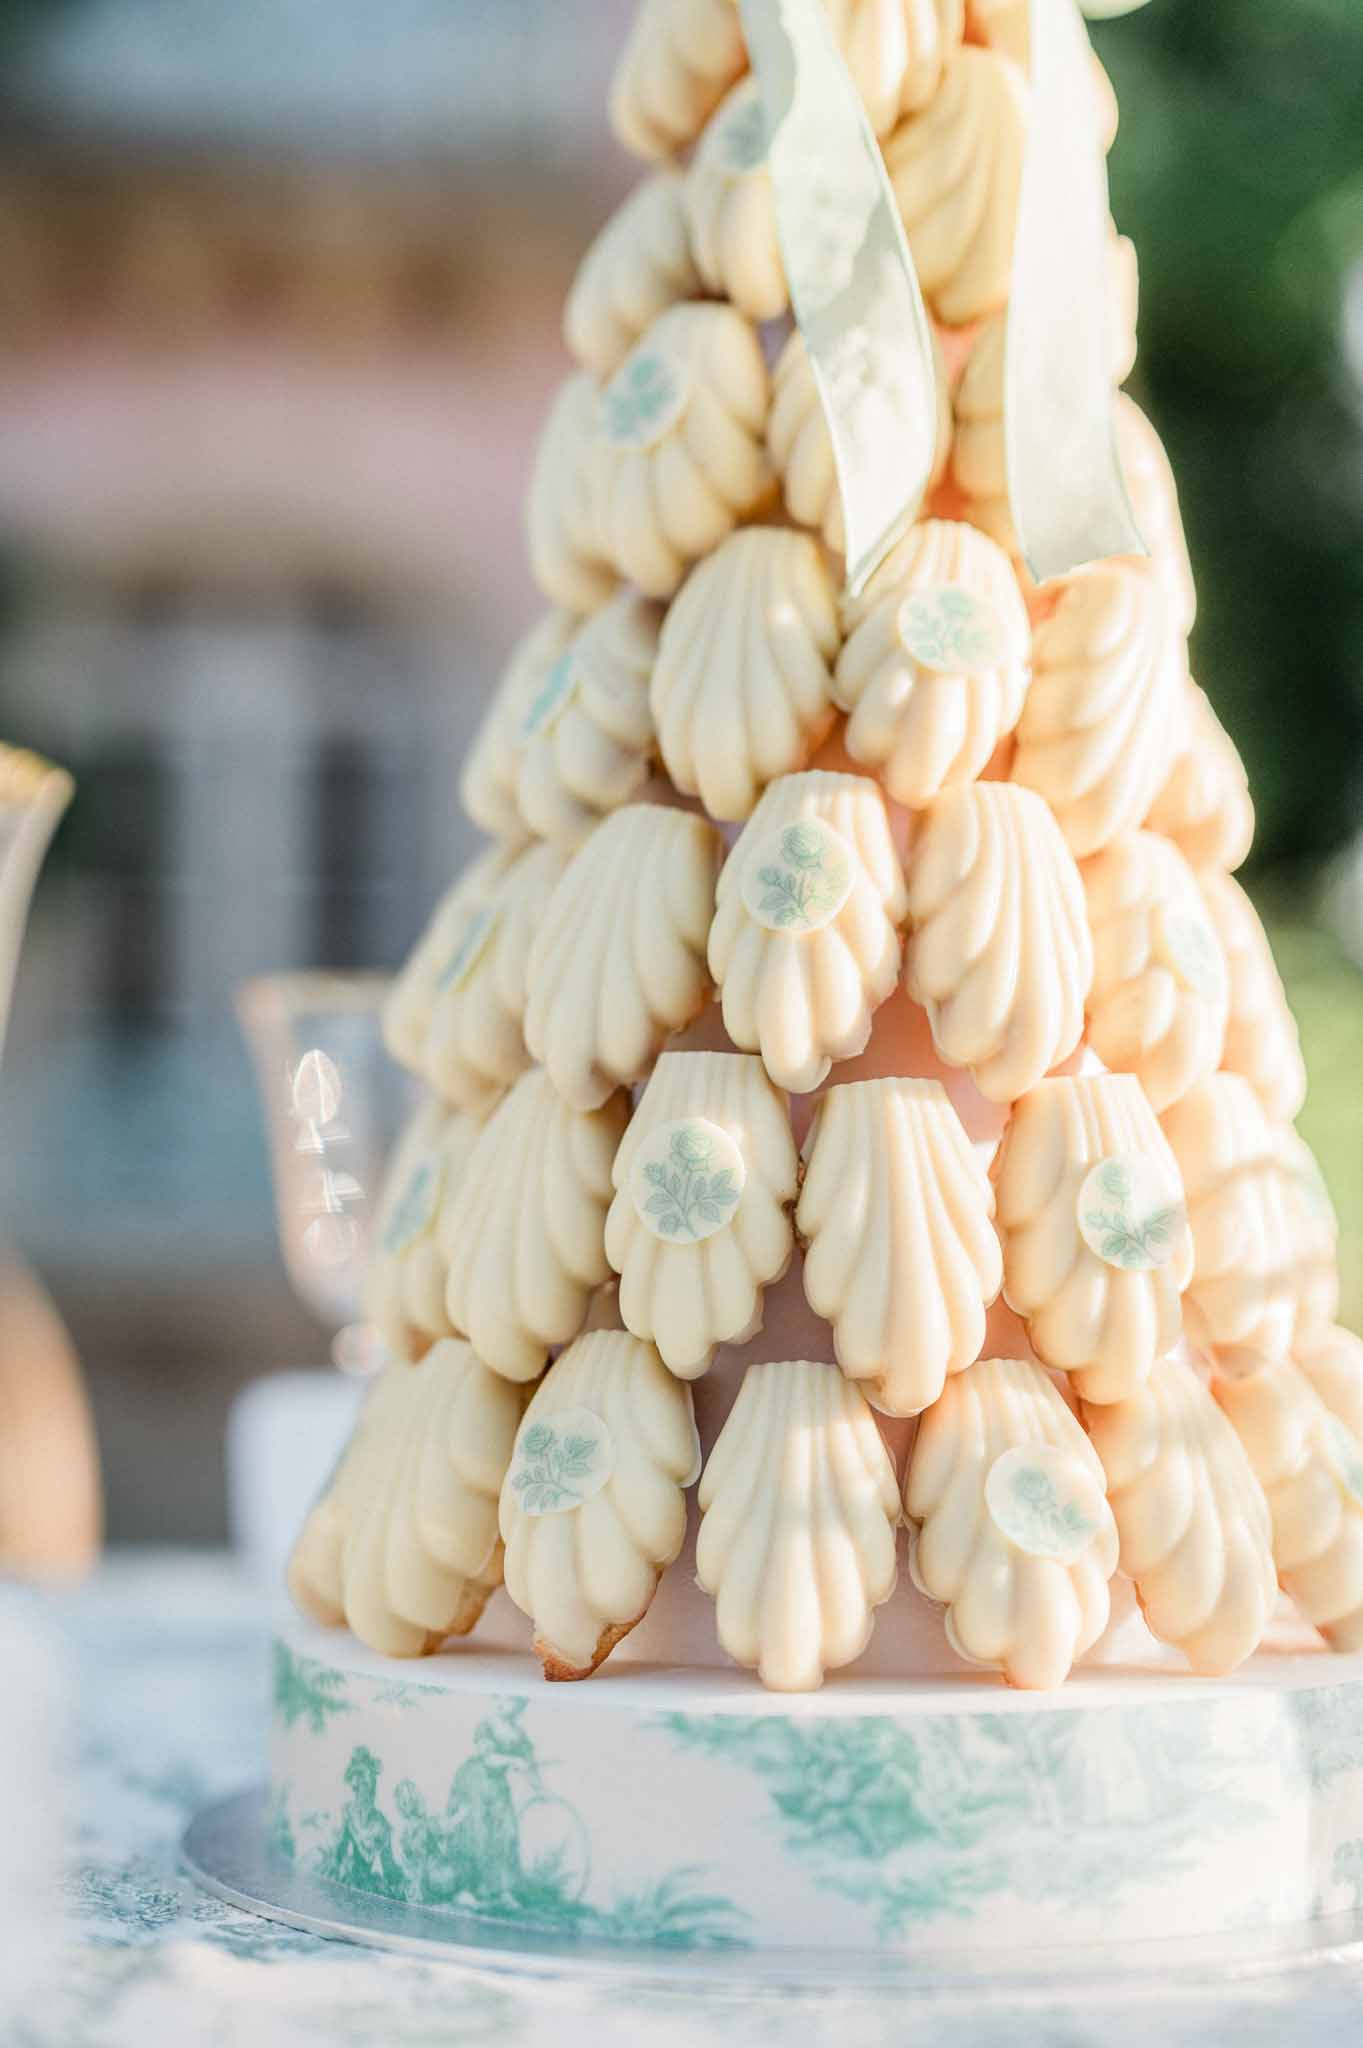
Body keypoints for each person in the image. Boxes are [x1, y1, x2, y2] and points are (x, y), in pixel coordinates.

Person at [445, 1699, 538, 1910]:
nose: (510, 1705)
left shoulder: (519, 1734)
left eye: (516, 1702)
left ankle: (502, 1891)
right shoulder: (487, 1726)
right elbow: (486, 1758)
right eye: (506, 1699)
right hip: (473, 1781)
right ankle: (465, 1889)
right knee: (475, 1834)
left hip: (497, 1786)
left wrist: (539, 1786)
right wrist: (513, 1761)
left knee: (507, 1833)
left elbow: (529, 1764)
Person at [321, 1746, 407, 1900]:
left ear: (372, 1787)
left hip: (364, 1884)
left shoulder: (381, 1825)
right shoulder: (348, 1811)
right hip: (345, 1877)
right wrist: (336, 1863)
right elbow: (341, 1846)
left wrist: (403, 1880)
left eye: (364, 1785)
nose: (358, 1790)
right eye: (356, 1787)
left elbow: (388, 1867)